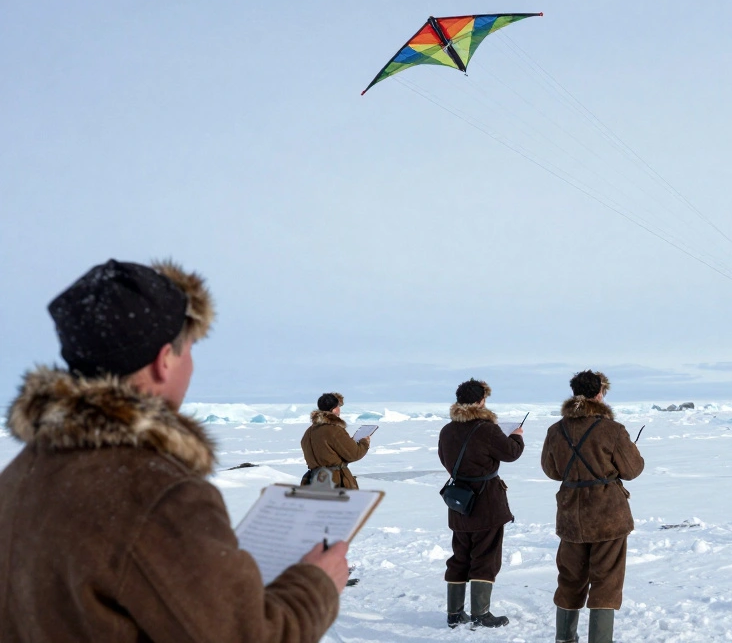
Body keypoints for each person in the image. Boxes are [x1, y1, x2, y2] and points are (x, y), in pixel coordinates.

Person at [0, 259, 350, 642]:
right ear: (164, 361)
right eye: (190, 350)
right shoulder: (160, 493)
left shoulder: (20, 473)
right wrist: (316, 585)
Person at [541, 371, 645, 643]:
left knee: (570, 577)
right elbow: (632, 470)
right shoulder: (613, 430)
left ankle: (564, 638)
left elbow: (551, 470)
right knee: (606, 580)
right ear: (599, 393)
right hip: (607, 515)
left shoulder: (556, 430)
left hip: (570, 515)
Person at [437, 378, 524, 629]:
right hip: (486, 502)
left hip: (459, 500)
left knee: (460, 556)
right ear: (481, 401)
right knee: (486, 556)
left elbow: (445, 459)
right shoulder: (486, 428)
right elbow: (511, 453)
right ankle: (480, 614)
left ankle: (454, 614)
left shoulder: (447, 430)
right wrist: (517, 437)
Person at [301, 391, 371, 489]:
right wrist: (364, 442)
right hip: (335, 483)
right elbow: (354, 454)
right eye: (338, 406)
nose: (339, 409)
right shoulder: (334, 430)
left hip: (314, 482)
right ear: (333, 409)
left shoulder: (309, 432)